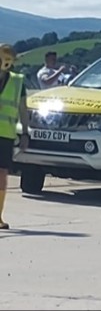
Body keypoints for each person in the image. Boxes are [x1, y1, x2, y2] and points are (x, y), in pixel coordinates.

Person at [1, 44, 29, 229]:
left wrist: (25, 133)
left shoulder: (18, 82)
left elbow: (23, 110)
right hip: (5, 135)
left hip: (5, 135)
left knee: (2, 174)